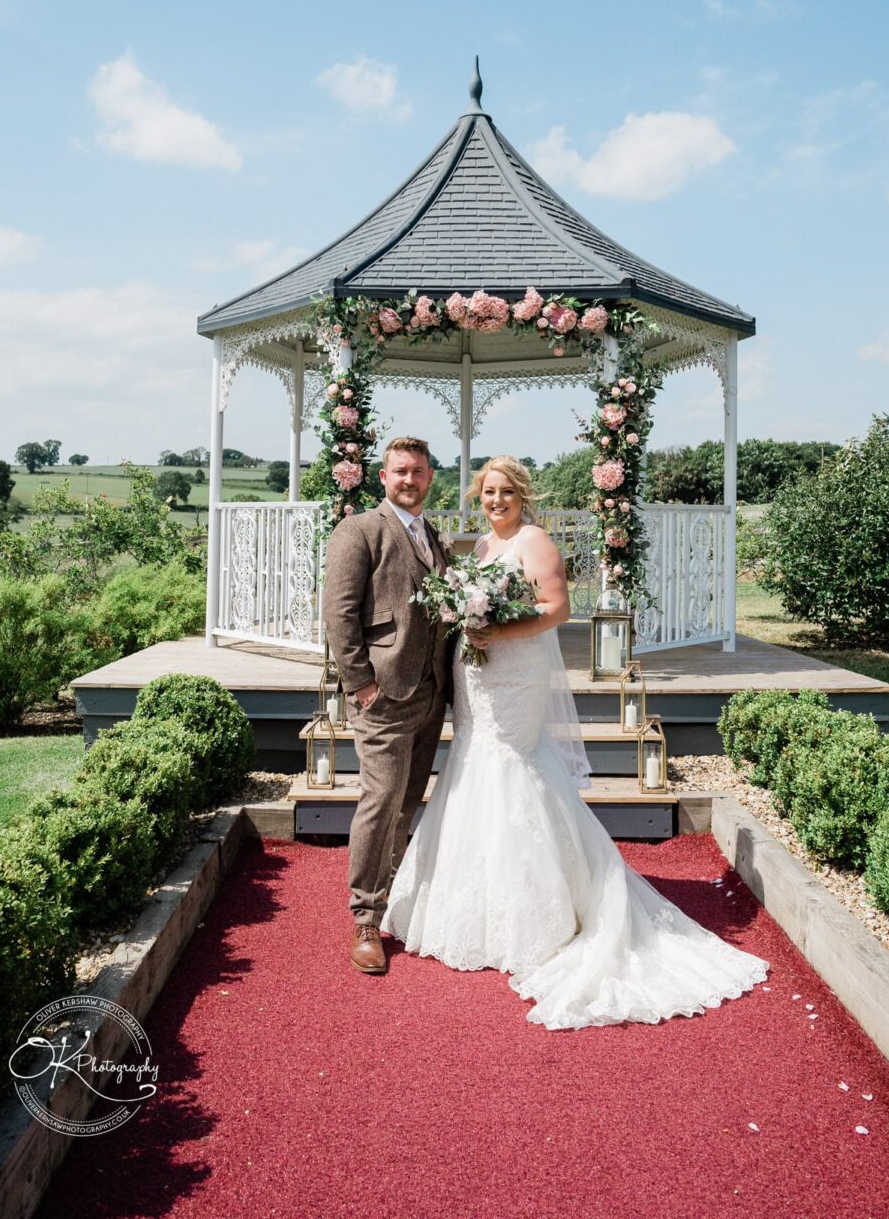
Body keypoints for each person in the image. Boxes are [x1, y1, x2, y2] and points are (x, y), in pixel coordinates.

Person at [383, 454, 769, 1029]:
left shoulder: (534, 542)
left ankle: (541, 912)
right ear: (475, 497)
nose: (495, 501)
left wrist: (495, 628)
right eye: (487, 492)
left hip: (518, 675)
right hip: (478, 676)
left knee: (513, 767)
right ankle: (477, 906)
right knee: (472, 763)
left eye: (505, 492)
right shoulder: (480, 548)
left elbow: (557, 609)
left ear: (522, 495)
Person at [321, 436, 452, 976]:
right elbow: (339, 613)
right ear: (383, 476)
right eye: (401, 471)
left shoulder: (432, 534)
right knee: (380, 801)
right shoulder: (359, 530)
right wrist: (360, 684)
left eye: (419, 471)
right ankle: (365, 920)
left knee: (407, 801)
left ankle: (392, 894)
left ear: (429, 478)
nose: (410, 479)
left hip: (429, 692)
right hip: (383, 693)